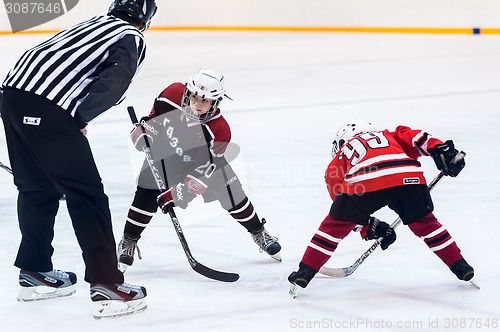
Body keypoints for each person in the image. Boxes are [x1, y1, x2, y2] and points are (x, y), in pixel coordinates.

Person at [1, 0, 157, 318]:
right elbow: (114, 85)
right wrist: (78, 118)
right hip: (48, 107)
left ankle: (35, 272)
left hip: (12, 96)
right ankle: (107, 284)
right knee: (87, 195)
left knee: (37, 188)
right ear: (146, 18)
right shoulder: (131, 35)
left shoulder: (92, 23)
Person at [117, 68, 282, 272]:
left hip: (201, 165)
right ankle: (129, 240)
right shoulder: (171, 94)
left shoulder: (220, 130)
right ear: (187, 91)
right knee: (146, 193)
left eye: (204, 101)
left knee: (233, 193)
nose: (197, 104)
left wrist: (181, 193)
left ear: (216, 102)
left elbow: (209, 168)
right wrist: (143, 133)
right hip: (165, 154)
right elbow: (153, 119)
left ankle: (259, 232)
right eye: (194, 97)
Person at [288, 119, 473, 297]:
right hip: (407, 175)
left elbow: (344, 210)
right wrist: (441, 151)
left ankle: (304, 272)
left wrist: (369, 227)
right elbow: (416, 137)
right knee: (426, 224)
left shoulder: (342, 153)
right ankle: (461, 266)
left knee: (334, 227)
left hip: (364, 179)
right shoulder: (389, 136)